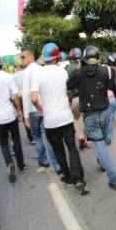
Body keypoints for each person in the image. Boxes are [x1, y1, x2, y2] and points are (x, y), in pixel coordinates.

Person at [32, 43, 87, 194]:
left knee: (58, 150)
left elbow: (33, 97)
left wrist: (39, 108)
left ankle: (68, 177)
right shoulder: (62, 72)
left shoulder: (38, 74)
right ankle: (79, 178)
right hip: (65, 117)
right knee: (72, 148)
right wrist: (67, 102)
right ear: (57, 57)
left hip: (50, 121)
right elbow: (68, 92)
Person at [67, 45, 116, 191]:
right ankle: (102, 159)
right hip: (106, 114)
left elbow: (68, 85)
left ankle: (115, 180)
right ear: (99, 58)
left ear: (84, 59)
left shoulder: (78, 73)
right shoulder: (106, 71)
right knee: (104, 144)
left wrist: (80, 68)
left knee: (101, 147)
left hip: (91, 117)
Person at [0, 54, 27, 182]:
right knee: (16, 140)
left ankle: (9, 164)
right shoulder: (8, 77)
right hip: (10, 113)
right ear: (2, 64)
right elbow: (15, 95)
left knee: (3, 144)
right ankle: (21, 165)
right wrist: (19, 110)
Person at [20, 45, 61, 173]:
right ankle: (56, 162)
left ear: (31, 56)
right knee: (49, 136)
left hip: (33, 109)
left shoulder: (26, 73)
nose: (21, 59)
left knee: (37, 136)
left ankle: (44, 160)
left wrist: (25, 115)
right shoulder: (41, 69)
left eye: (23, 57)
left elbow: (27, 95)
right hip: (44, 107)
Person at [66, 47, 90, 150]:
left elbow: (67, 86)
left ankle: (81, 137)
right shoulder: (86, 66)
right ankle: (87, 138)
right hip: (87, 96)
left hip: (75, 97)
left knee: (76, 118)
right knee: (85, 117)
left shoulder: (68, 68)